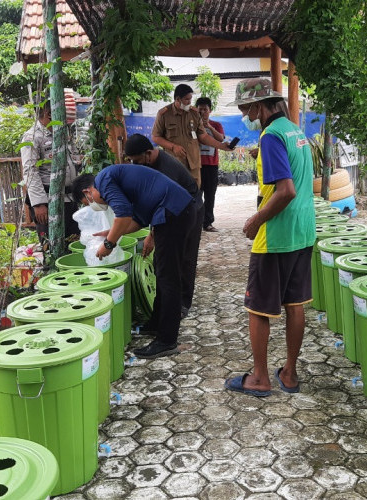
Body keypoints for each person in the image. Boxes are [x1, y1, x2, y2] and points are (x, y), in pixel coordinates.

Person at [223, 78, 316, 397]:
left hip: (275, 235)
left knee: (258, 307)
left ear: (259, 107)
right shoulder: (295, 132)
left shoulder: (272, 136)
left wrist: (254, 220)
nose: (245, 115)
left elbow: (285, 191)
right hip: (303, 231)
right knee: (295, 303)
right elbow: (296, 177)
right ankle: (289, 374)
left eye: (246, 109)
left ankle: (260, 378)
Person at [71, 165, 195, 359]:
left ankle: (167, 340)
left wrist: (109, 243)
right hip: (173, 212)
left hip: (175, 212)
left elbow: (123, 215)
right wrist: (110, 233)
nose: (91, 205)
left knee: (169, 277)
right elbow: (135, 221)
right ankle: (156, 325)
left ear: (88, 192)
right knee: (162, 273)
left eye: (87, 202)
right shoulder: (113, 180)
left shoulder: (104, 180)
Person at [124, 133, 203, 319]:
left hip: (190, 209)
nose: (136, 166)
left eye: (137, 161)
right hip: (172, 210)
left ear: (149, 153)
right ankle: (163, 306)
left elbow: (164, 205)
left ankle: (182, 303)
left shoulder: (167, 169)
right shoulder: (150, 163)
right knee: (163, 261)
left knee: (184, 258)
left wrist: (151, 235)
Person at [20, 100, 79, 241]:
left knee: (74, 241)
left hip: (69, 199)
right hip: (47, 201)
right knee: (52, 244)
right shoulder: (33, 137)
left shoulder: (62, 134)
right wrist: (39, 204)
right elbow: (30, 171)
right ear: (49, 115)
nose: (65, 122)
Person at [151, 84, 232, 187]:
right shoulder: (164, 114)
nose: (189, 102)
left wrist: (221, 146)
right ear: (177, 99)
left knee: (195, 196)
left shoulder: (194, 113)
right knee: (177, 194)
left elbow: (203, 136)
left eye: (190, 99)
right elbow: (155, 137)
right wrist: (173, 147)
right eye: (186, 99)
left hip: (193, 164)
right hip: (174, 164)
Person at [195, 97, 225, 232]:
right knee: (196, 195)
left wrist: (209, 127)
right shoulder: (192, 125)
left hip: (212, 166)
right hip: (196, 166)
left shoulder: (216, 125)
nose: (202, 112)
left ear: (210, 110)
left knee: (210, 195)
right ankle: (196, 222)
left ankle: (207, 223)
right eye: (200, 109)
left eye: (205, 109)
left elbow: (221, 138)